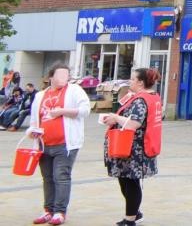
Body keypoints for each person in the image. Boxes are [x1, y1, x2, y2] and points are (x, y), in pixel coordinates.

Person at [27, 63, 91, 226]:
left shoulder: (74, 90)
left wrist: (63, 111)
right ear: (50, 77)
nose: (63, 78)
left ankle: (60, 211)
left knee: (61, 176)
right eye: (59, 75)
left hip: (65, 144)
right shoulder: (40, 95)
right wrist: (32, 131)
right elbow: (35, 118)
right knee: (47, 178)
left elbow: (85, 110)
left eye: (66, 75)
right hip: (44, 143)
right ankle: (48, 210)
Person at [101, 67, 162, 226]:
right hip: (135, 147)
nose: (130, 81)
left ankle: (130, 219)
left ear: (141, 83)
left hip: (134, 149)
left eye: (132, 79)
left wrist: (115, 118)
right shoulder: (151, 96)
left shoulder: (141, 100)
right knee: (125, 180)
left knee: (130, 182)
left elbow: (134, 124)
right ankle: (134, 213)